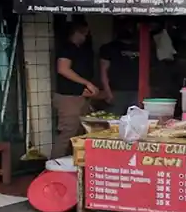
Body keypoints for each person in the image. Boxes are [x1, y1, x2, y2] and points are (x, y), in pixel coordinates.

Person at [52, 21, 97, 159]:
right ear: (76, 32)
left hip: (79, 96)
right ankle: (54, 167)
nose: (85, 36)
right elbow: (63, 69)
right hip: (68, 98)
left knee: (79, 133)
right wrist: (87, 83)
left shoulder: (80, 49)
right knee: (67, 133)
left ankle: (73, 165)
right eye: (84, 33)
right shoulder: (67, 48)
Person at [99, 22, 139, 116]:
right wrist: (107, 91)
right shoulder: (109, 48)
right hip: (116, 92)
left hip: (137, 91)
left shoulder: (141, 47)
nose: (128, 30)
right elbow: (103, 71)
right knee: (114, 121)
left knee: (136, 122)